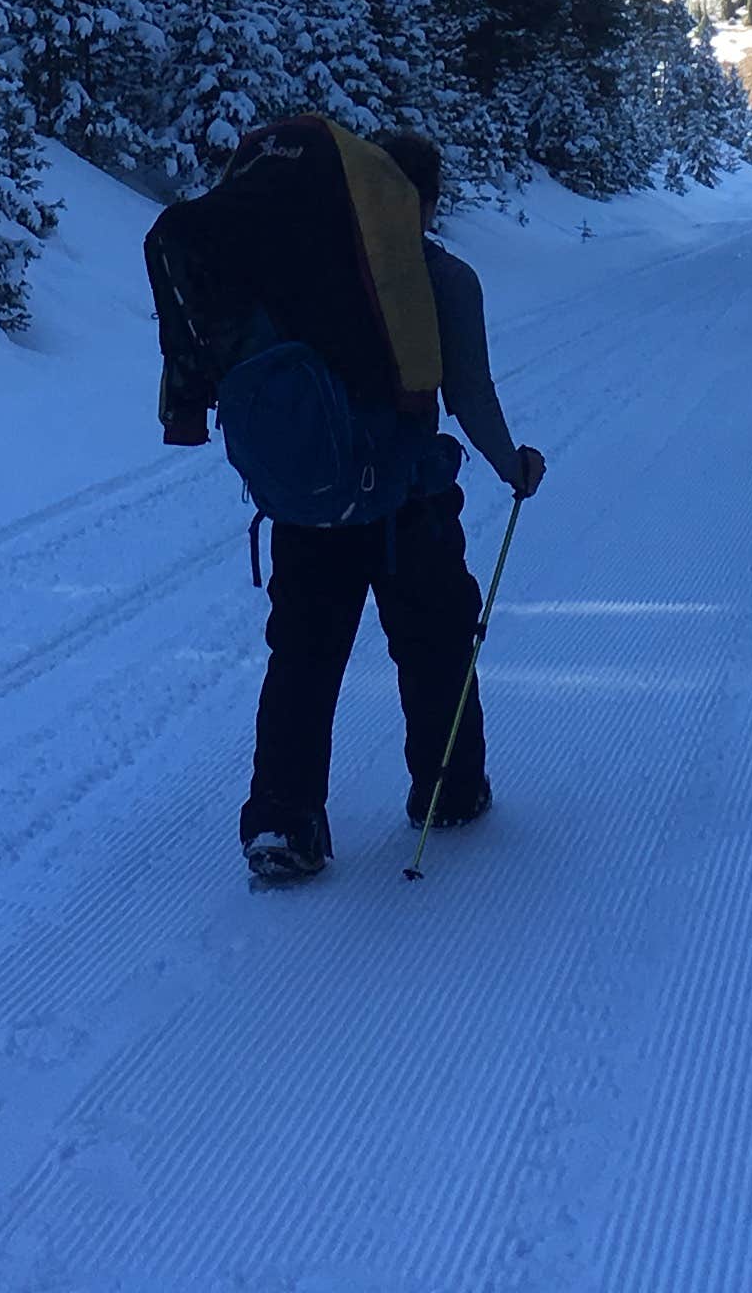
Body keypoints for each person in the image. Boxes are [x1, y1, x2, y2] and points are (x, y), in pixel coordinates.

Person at [228, 129, 544, 888]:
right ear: (423, 199)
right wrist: (513, 465)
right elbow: (467, 391)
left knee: (302, 659)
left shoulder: (291, 267)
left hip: (309, 510)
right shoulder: (443, 276)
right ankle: (450, 792)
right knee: (435, 647)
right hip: (408, 505)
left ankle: (282, 818)